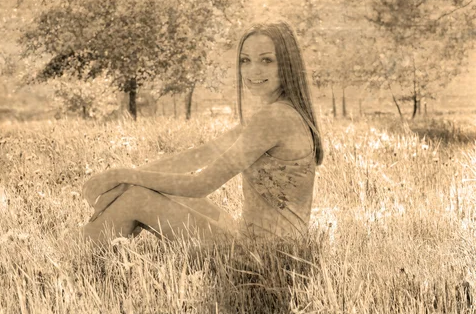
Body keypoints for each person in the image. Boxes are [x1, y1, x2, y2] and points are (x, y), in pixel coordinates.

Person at [81, 22, 324, 245]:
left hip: (260, 255)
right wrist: (126, 179)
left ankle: (75, 258)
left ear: (288, 63)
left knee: (137, 198)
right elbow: (201, 155)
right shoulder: (279, 113)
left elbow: (201, 184)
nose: (253, 71)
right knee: (151, 190)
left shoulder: (274, 118)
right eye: (245, 60)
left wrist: (123, 176)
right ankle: (93, 250)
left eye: (267, 60)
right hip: (266, 244)